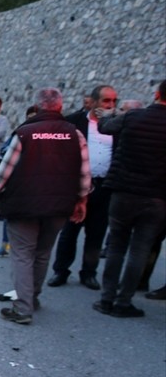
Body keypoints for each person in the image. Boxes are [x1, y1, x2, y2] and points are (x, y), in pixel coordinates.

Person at [0, 87, 90, 325]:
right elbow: (85, 173)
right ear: (60, 107)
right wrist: (81, 200)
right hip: (59, 205)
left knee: (22, 254)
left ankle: (23, 308)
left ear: (38, 106)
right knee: (42, 254)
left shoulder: (24, 132)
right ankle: (33, 298)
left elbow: (5, 169)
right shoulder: (75, 134)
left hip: (24, 204)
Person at [93, 79, 166, 318]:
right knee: (140, 250)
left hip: (123, 192)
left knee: (116, 247)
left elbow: (104, 127)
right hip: (156, 197)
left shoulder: (133, 117)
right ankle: (124, 302)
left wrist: (105, 114)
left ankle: (106, 299)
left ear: (156, 94)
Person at [47, 85, 118, 290]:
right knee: (70, 230)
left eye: (114, 101)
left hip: (104, 186)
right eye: (106, 101)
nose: (110, 105)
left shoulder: (116, 125)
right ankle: (61, 270)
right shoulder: (73, 122)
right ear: (94, 102)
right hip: (77, 186)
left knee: (96, 233)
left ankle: (89, 272)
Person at [0, 105, 39, 258]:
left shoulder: (44, 136)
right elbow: (5, 151)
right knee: (9, 217)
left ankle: (31, 249)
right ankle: (5, 246)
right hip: (17, 183)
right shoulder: (20, 133)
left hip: (37, 186)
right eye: (30, 117)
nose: (32, 121)